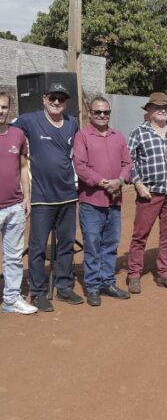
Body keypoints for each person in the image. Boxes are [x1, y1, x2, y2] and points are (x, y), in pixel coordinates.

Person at [13, 82, 82, 312]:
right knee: (38, 248)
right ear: (44, 99)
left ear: (66, 103)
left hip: (68, 197)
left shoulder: (72, 123)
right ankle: (38, 292)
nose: (56, 102)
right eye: (52, 98)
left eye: (60, 99)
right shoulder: (29, 120)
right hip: (42, 198)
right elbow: (8, 132)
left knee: (65, 246)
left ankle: (63, 287)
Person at [127, 92, 167, 293]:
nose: (163, 110)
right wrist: (137, 183)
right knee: (140, 235)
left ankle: (164, 273)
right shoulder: (139, 132)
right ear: (149, 110)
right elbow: (128, 160)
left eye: (166, 108)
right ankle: (134, 274)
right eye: (157, 107)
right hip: (150, 193)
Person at [73, 96, 132, 307]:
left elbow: (127, 163)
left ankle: (107, 282)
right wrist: (102, 182)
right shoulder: (82, 136)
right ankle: (92, 287)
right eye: (97, 112)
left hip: (114, 201)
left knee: (111, 244)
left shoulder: (118, 136)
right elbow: (80, 166)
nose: (102, 116)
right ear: (90, 113)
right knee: (92, 245)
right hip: (91, 202)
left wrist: (120, 180)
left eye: (105, 112)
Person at [0, 93, 37, 314]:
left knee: (13, 256)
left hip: (14, 206)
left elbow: (23, 166)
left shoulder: (18, 135)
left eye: (4, 107)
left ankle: (11, 298)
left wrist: (26, 197)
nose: (0, 111)